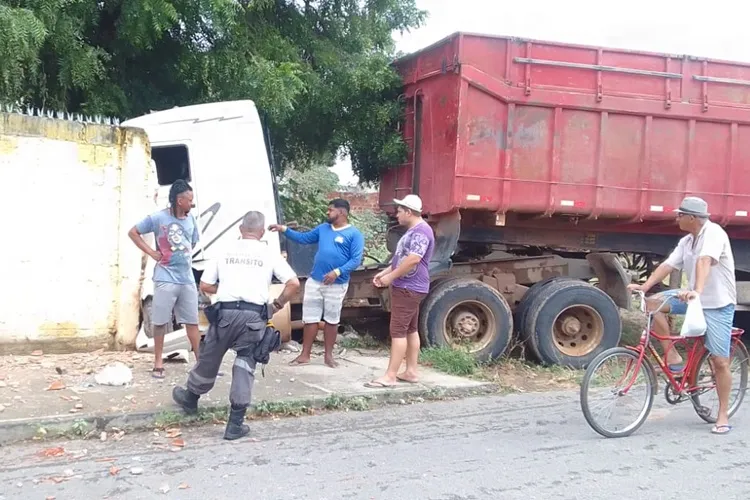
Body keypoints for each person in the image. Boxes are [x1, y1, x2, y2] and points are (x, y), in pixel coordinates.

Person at [172, 211, 300, 440]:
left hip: (225, 314)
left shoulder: (224, 250)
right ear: (261, 233)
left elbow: (205, 285)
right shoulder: (269, 254)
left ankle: (190, 399)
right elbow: (293, 283)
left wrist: (225, 291)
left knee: (210, 356)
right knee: (244, 364)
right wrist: (276, 305)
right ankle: (235, 424)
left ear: (241, 230)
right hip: (253, 317)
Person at [628, 196, 737, 435]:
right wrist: (645, 287)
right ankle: (673, 356)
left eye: (680, 215)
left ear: (692, 218)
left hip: (717, 304)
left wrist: (696, 291)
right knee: (652, 303)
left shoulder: (714, 234)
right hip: (692, 298)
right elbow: (668, 265)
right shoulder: (687, 241)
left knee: (720, 361)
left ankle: (722, 414)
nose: (676, 218)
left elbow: (705, 261)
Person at [269, 198, 364, 368]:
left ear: (341, 212)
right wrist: (284, 229)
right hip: (315, 281)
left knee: (331, 320)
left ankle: (328, 356)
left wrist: (337, 272)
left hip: (337, 284)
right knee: (310, 319)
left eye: (330, 210)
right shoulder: (323, 229)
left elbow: (356, 260)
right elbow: (303, 238)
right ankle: (305, 355)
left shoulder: (354, 234)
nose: (327, 212)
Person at [128, 179, 201, 378]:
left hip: (186, 279)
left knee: (192, 322)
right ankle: (158, 363)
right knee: (160, 322)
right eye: (189, 200)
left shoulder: (191, 219)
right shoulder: (158, 218)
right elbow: (133, 232)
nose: (191, 204)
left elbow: (192, 243)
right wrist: (151, 252)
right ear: (179, 200)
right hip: (165, 278)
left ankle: (200, 364)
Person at [368, 194, 435, 388]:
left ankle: (390, 376)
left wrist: (391, 277)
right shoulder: (414, 230)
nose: (396, 214)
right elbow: (402, 258)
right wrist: (385, 272)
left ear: (409, 211)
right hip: (410, 287)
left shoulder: (421, 232)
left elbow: (413, 259)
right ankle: (411, 371)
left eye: (399, 211)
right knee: (410, 329)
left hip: (408, 287)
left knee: (397, 331)